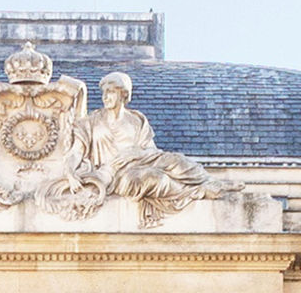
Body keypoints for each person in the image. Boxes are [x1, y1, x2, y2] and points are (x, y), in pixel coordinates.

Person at [56, 72, 233, 227]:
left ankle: (207, 181)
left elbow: (151, 150)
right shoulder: (92, 121)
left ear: (123, 94)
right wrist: (70, 173)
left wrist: (137, 153)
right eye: (104, 92)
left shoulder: (137, 120)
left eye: (110, 91)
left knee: (176, 160)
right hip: (115, 175)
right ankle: (199, 191)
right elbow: (76, 152)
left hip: (141, 160)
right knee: (155, 178)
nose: (105, 97)